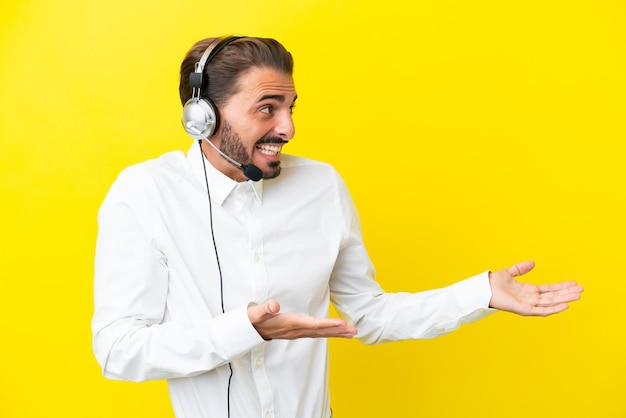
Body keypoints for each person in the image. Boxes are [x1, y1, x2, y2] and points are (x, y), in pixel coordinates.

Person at [92, 36, 583, 418]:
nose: (287, 128)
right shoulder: (146, 194)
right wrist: (244, 329)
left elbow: (368, 316)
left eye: (290, 107)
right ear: (202, 117)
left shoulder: (321, 186)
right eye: (267, 108)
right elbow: (117, 350)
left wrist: (481, 294)